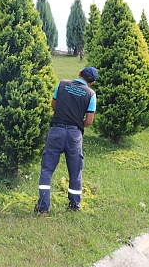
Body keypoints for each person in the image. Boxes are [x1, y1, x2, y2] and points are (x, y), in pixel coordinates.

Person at [35, 67, 98, 213]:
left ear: (79, 73)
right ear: (92, 82)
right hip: (74, 135)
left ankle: (43, 207)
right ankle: (74, 206)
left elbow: (53, 104)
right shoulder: (91, 94)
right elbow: (89, 121)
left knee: (47, 169)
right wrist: (76, 124)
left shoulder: (62, 84)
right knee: (75, 172)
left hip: (56, 131)